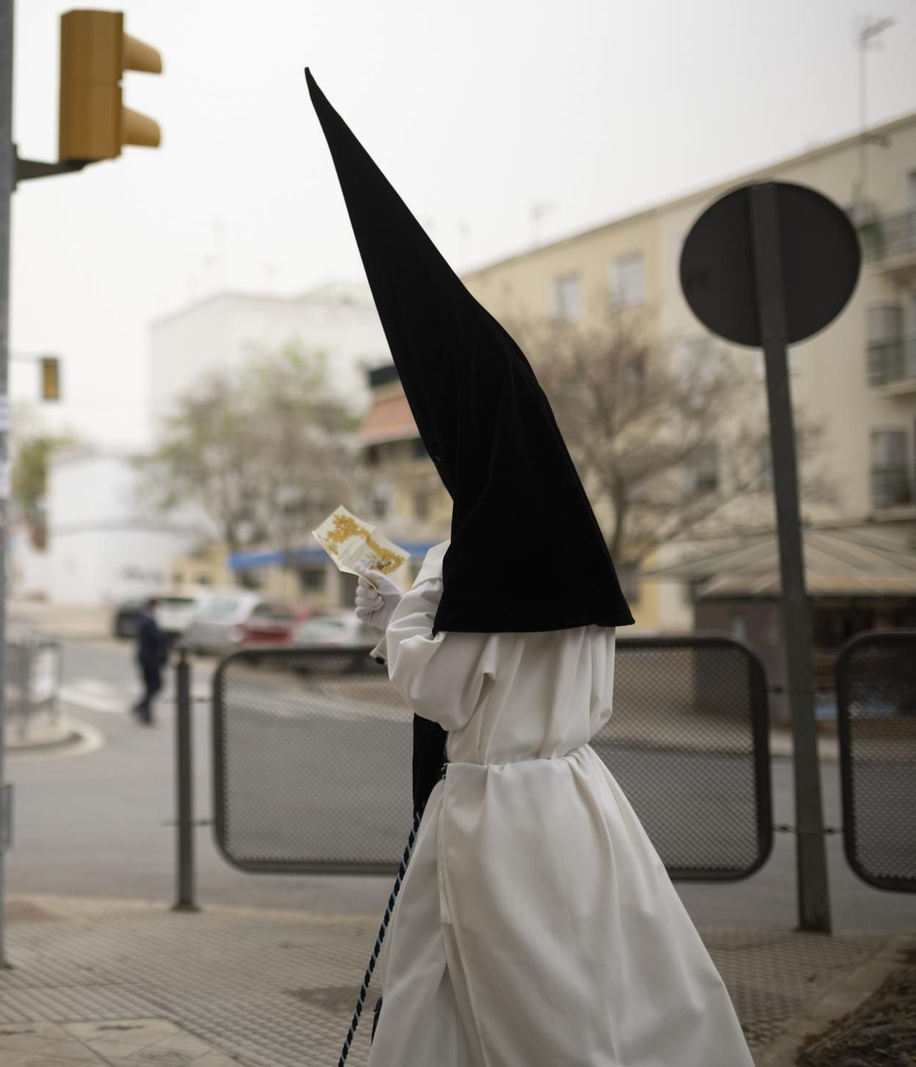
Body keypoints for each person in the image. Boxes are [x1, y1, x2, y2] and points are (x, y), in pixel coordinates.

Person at [310, 71, 752, 1066]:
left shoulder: (478, 553)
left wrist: (396, 603)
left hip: (494, 813)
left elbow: (437, 684)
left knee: (524, 1010)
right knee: (600, 983)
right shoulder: (564, 533)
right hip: (579, 802)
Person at [131, 598, 169, 726]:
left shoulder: (144, 619)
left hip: (145, 657)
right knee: (155, 685)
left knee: (150, 686)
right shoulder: (148, 621)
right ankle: (142, 707)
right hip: (149, 658)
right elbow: (157, 638)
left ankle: (144, 711)